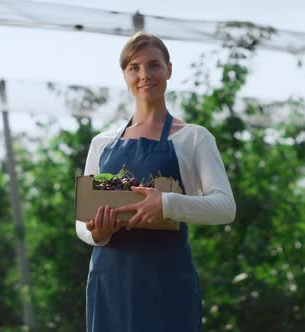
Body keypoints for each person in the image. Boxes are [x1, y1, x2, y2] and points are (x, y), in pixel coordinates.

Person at [75, 31, 236, 332]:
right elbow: (82, 221)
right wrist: (97, 233)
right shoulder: (102, 143)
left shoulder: (192, 138)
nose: (144, 75)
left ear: (169, 70)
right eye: (133, 68)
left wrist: (166, 203)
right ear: (124, 75)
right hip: (110, 281)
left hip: (166, 280)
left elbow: (225, 207)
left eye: (153, 65)